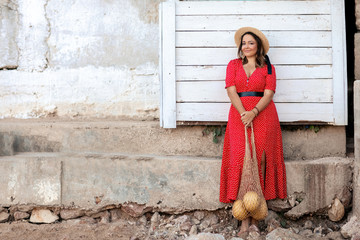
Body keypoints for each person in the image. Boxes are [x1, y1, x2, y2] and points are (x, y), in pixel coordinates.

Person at [219, 27, 287, 236]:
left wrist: (254, 112)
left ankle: (256, 217)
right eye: (244, 43)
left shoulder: (268, 68)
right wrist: (244, 114)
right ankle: (243, 219)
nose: (246, 46)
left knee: (259, 160)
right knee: (240, 158)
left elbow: (269, 93)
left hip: (264, 115)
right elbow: (231, 89)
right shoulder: (233, 65)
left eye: (251, 43)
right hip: (239, 115)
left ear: (258, 47)